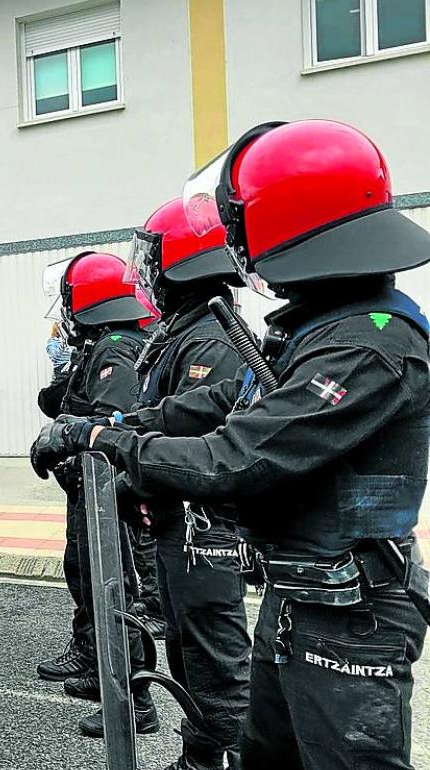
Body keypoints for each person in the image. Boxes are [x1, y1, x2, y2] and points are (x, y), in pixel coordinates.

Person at [34, 119, 430, 770]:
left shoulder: (369, 343)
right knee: (262, 756)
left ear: (280, 222)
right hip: (301, 598)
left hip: (351, 614)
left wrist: (102, 436)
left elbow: (235, 457)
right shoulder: (323, 326)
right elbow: (225, 402)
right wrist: (131, 429)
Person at [121, 199, 252, 770]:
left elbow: (200, 421)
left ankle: (225, 754)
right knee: (187, 645)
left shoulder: (215, 336)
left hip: (206, 523)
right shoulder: (187, 329)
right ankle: (202, 754)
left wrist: (119, 441)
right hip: (180, 514)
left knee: (214, 653)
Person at [29, 250, 158, 737]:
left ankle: (134, 698)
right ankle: (93, 660)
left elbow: (113, 422)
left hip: (106, 492)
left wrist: (68, 436)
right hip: (87, 489)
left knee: (114, 586)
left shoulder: (117, 348)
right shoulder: (105, 343)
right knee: (84, 573)